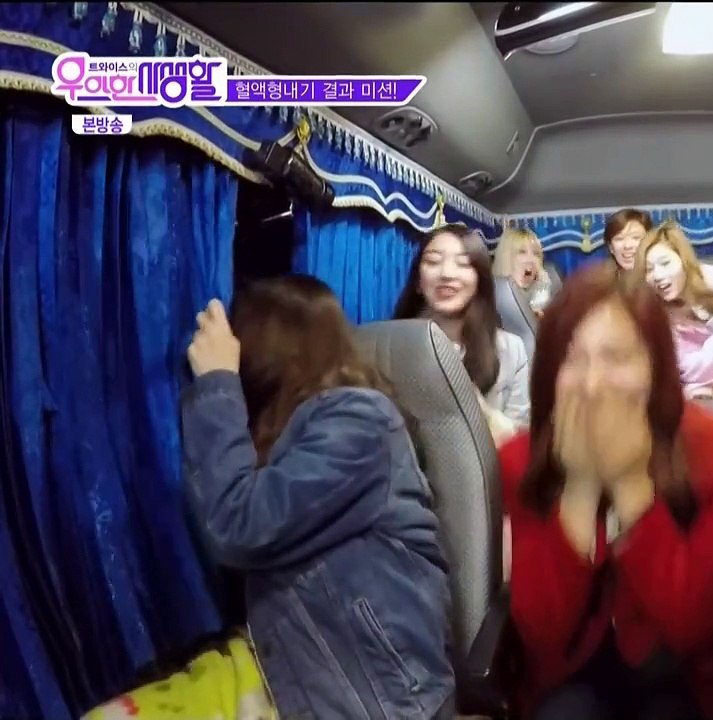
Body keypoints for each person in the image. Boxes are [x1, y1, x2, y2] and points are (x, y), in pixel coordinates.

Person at [85, 276, 455, 720]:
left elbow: (240, 525)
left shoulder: (362, 420)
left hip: (381, 697)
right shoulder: (298, 429)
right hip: (306, 670)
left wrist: (217, 381)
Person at [498, 263, 713, 720]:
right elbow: (543, 637)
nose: (592, 385)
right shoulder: (521, 459)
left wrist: (630, 483)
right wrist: (580, 487)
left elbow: (693, 627)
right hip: (569, 670)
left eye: (617, 357)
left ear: (655, 366)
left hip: (677, 672)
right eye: (571, 358)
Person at [394, 223, 530, 442]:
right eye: (433, 261)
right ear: (418, 281)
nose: (447, 274)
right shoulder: (392, 348)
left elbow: (519, 443)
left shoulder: (511, 350)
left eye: (463, 263)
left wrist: (483, 413)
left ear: (480, 281)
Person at [634, 221, 713, 403]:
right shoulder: (655, 316)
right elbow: (687, 370)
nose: (658, 275)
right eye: (649, 269)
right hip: (692, 392)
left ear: (684, 261)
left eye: (665, 263)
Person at [493, 226, 554, 316]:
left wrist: (543, 286)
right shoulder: (490, 300)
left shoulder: (539, 298)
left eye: (536, 254)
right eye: (522, 252)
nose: (531, 259)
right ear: (505, 257)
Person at [603, 208, 652, 276]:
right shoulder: (599, 280)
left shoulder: (662, 279)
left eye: (635, 238)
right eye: (619, 239)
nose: (627, 246)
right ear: (611, 247)